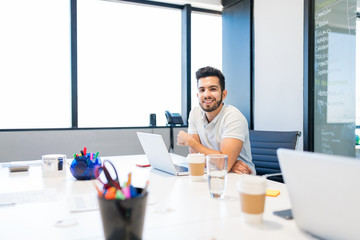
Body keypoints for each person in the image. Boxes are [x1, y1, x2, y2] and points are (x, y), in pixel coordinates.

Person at [177, 66, 255, 175]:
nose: (206, 95)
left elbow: (224, 165)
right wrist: (224, 162)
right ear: (197, 95)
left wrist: (191, 142)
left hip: (240, 177)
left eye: (213, 89)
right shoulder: (194, 113)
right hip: (212, 173)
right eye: (202, 90)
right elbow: (196, 157)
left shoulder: (234, 117)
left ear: (223, 94)